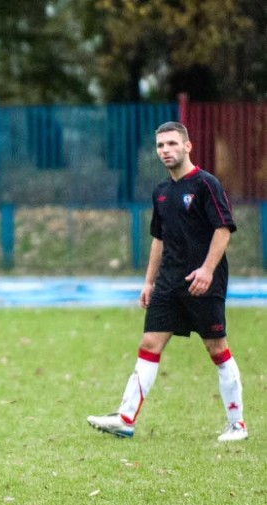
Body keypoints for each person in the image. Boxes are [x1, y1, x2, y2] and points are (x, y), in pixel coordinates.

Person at [87, 121, 246, 442]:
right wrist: (149, 283)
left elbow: (223, 229)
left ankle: (237, 425)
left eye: (172, 144)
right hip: (168, 284)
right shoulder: (161, 193)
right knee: (149, 344)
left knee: (217, 348)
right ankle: (125, 418)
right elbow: (158, 240)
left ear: (187, 146)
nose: (166, 151)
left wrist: (207, 270)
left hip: (204, 282)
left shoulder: (206, 184)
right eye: (160, 146)